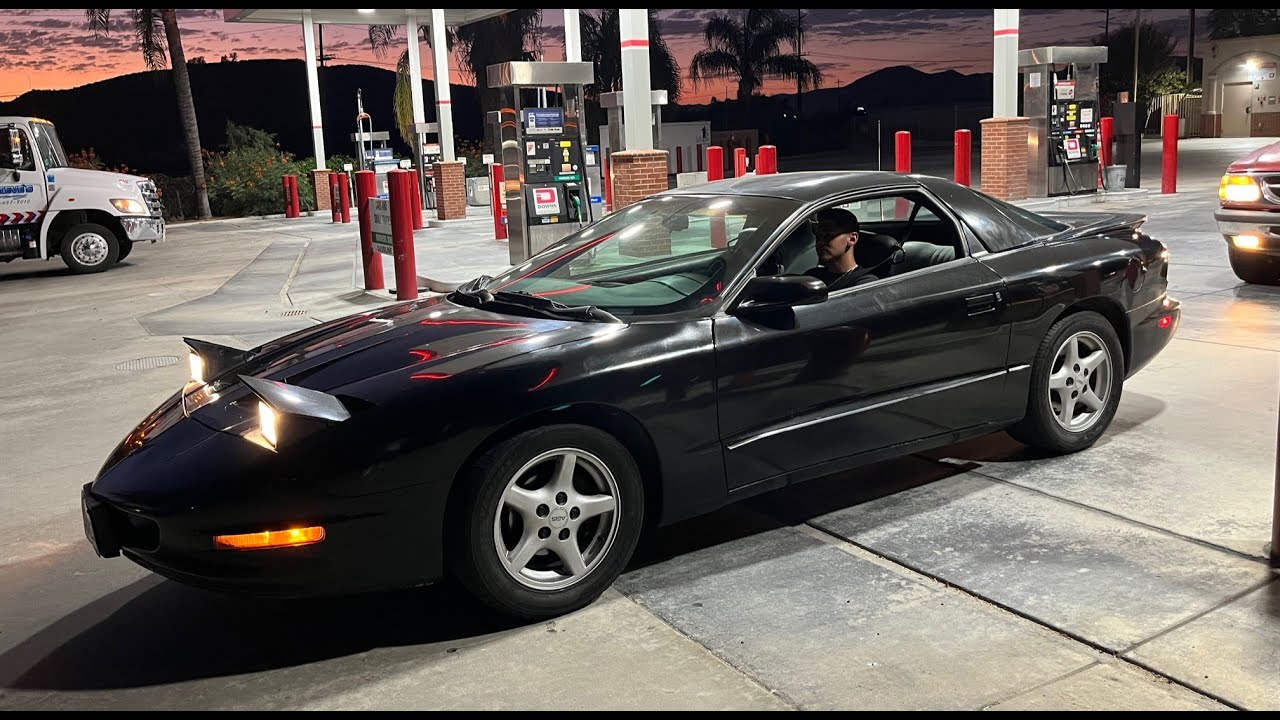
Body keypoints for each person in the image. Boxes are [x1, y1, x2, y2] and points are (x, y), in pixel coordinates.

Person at [805, 207, 877, 288]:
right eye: (818, 237)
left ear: (852, 239)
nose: (820, 242)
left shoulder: (865, 283)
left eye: (828, 236)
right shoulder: (813, 277)